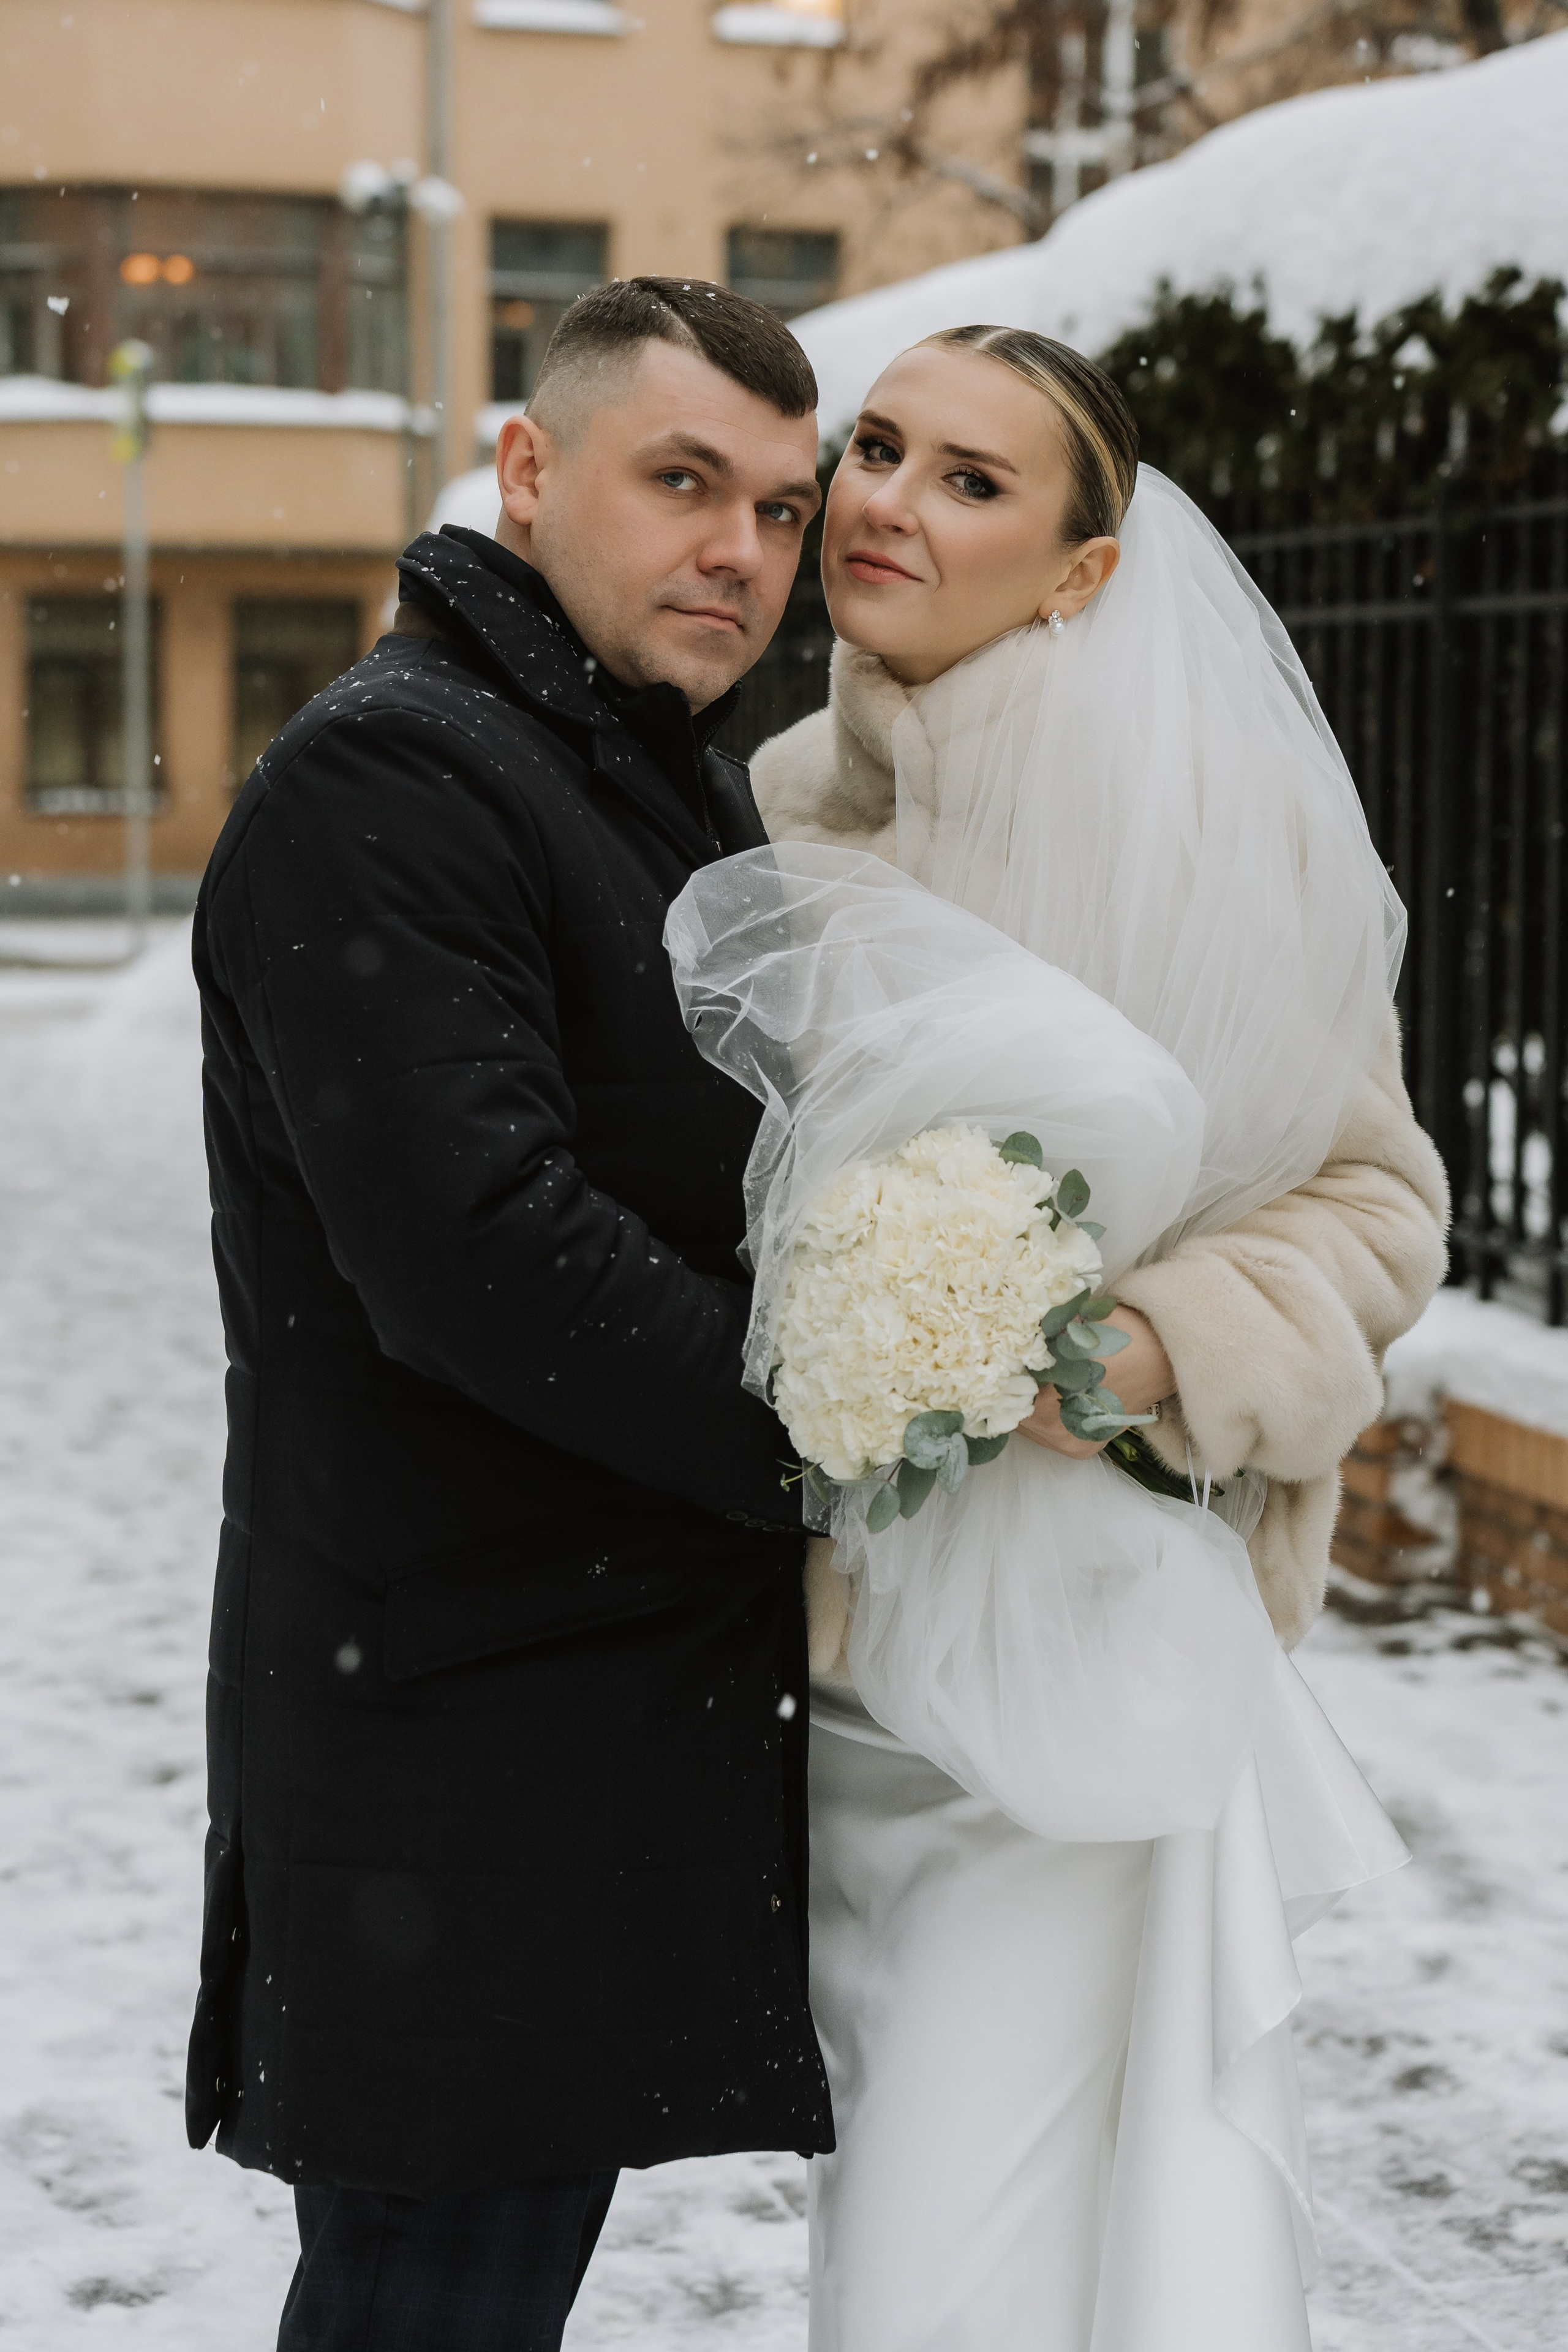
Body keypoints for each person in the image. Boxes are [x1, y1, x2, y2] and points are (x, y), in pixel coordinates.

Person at [737, 327, 1450, 2348]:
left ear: (1080, 570)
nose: (886, 499)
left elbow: (1377, 1200)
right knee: (902, 2204)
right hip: (823, 1658)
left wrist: (1142, 1348)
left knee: (943, 2262)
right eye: (876, 448)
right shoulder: (782, 803)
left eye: (972, 481)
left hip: (1072, 1656)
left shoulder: (1206, 821)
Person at [185, 278, 834, 2351]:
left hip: (558, 1715)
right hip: (451, 1739)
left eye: (783, 508)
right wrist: (845, 1433)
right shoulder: (399, 782)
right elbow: (479, 1248)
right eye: (683, 482)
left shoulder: (638, 770)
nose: (740, 547)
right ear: (529, 472)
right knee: (427, 2297)